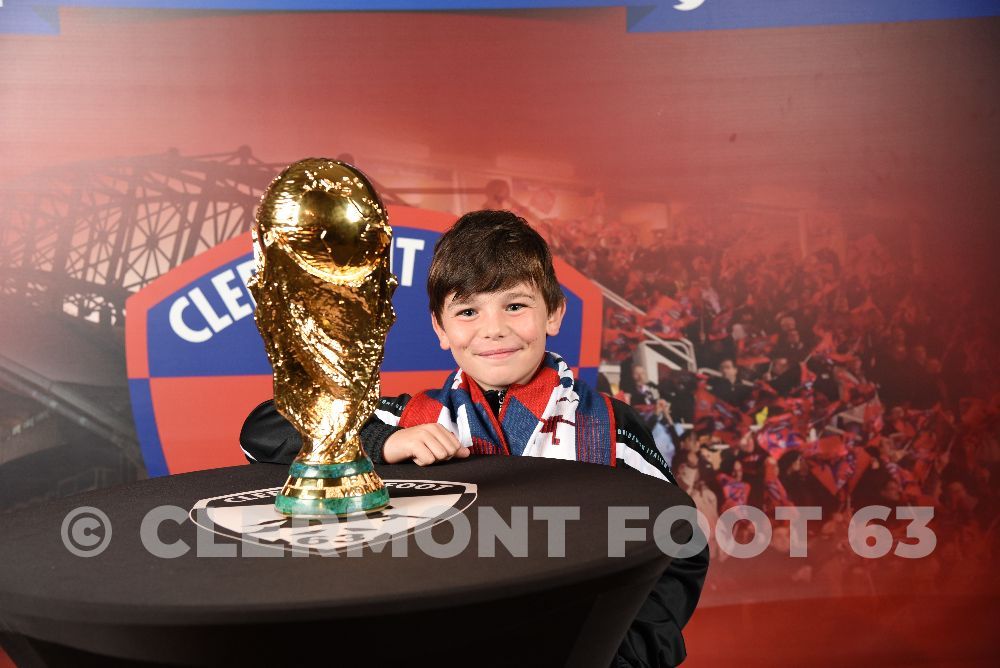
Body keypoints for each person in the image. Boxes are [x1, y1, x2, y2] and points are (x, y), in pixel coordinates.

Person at [241, 209, 709, 667]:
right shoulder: (412, 418)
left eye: (515, 305)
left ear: (554, 312)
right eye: (467, 311)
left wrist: (630, 654)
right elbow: (265, 427)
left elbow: (680, 543)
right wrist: (383, 442)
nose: (493, 329)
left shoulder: (608, 427)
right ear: (440, 329)